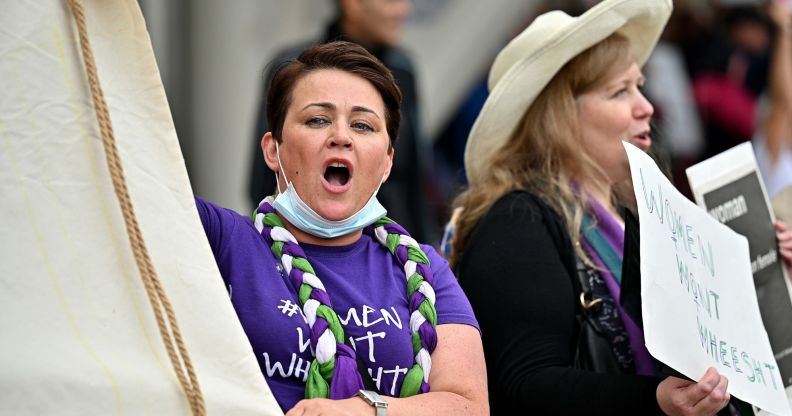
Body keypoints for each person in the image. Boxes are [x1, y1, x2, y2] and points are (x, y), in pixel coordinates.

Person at [447, 0, 733, 414]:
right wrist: (655, 402)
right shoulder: (517, 221)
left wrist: (762, 274)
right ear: (559, 116)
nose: (646, 107)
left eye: (640, 85)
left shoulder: (629, 216)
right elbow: (526, 385)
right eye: (620, 91)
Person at [197, 41, 487, 415]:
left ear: (386, 163)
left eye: (363, 125)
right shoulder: (222, 240)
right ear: (273, 151)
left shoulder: (427, 270)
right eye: (317, 119)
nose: (342, 137)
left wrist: (364, 412)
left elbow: (469, 407)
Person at [248, 0, 435, 243]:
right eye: (317, 120)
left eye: (363, 125)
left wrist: (424, 251)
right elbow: (260, 183)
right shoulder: (294, 67)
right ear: (352, 4)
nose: (403, 10)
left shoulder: (403, 70)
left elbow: (417, 177)